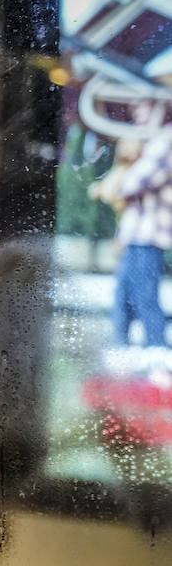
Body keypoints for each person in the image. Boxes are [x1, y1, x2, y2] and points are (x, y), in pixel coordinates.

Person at [91, 99, 172, 366]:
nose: (137, 113)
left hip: (149, 235)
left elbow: (133, 183)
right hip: (136, 235)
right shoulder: (151, 140)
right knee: (124, 296)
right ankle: (123, 351)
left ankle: (157, 352)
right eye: (135, 107)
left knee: (144, 295)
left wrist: (120, 181)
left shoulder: (165, 139)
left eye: (143, 107)